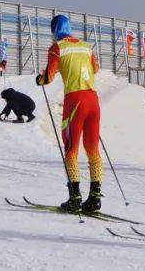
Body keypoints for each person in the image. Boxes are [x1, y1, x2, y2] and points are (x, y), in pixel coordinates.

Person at [36, 13, 103, 213]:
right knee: (92, 149)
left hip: (75, 101)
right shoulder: (85, 46)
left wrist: (40, 79)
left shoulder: (57, 48)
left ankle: (74, 197)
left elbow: (48, 77)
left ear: (55, 30)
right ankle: (95, 198)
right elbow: (96, 68)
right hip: (93, 100)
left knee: (71, 149)